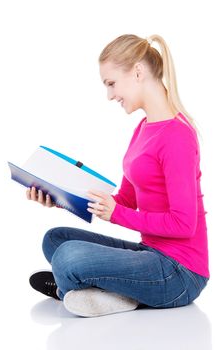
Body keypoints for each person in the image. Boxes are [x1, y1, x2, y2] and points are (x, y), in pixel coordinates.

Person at [28, 34, 209, 317]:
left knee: (67, 258)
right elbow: (125, 200)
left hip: (179, 274)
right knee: (56, 239)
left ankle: (94, 293)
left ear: (138, 72)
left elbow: (184, 224)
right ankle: (102, 292)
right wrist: (61, 197)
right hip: (150, 254)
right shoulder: (144, 128)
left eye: (111, 84)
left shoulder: (177, 137)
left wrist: (115, 215)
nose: (110, 95)